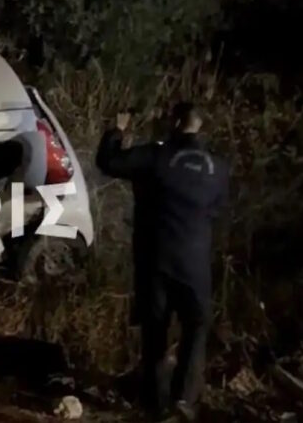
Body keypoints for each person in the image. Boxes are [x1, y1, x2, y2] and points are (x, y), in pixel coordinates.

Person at [95, 103, 229, 421]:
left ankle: (155, 404)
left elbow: (108, 162)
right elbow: (218, 210)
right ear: (200, 126)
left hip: (156, 258)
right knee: (196, 327)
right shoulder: (220, 168)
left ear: (176, 122)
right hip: (195, 262)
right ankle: (184, 401)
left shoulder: (156, 155)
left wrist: (117, 131)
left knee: (156, 330)